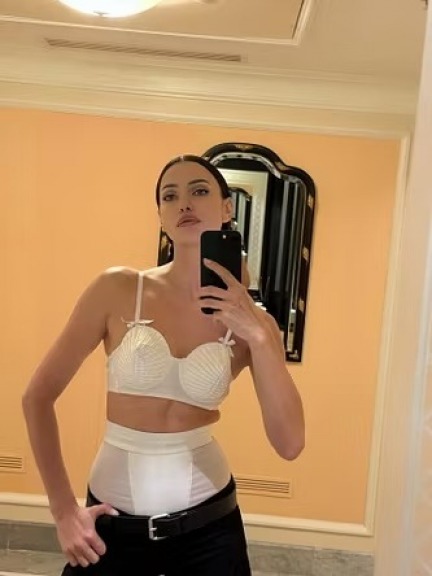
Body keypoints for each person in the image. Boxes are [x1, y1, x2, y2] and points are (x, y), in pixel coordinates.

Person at [22, 154, 305, 576]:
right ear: (161, 216)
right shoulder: (117, 288)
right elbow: (37, 398)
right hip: (112, 528)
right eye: (170, 196)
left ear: (227, 208)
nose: (184, 203)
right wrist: (63, 510)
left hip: (211, 530)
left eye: (199, 191)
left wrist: (260, 338)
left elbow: (290, 444)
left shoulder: (255, 325)